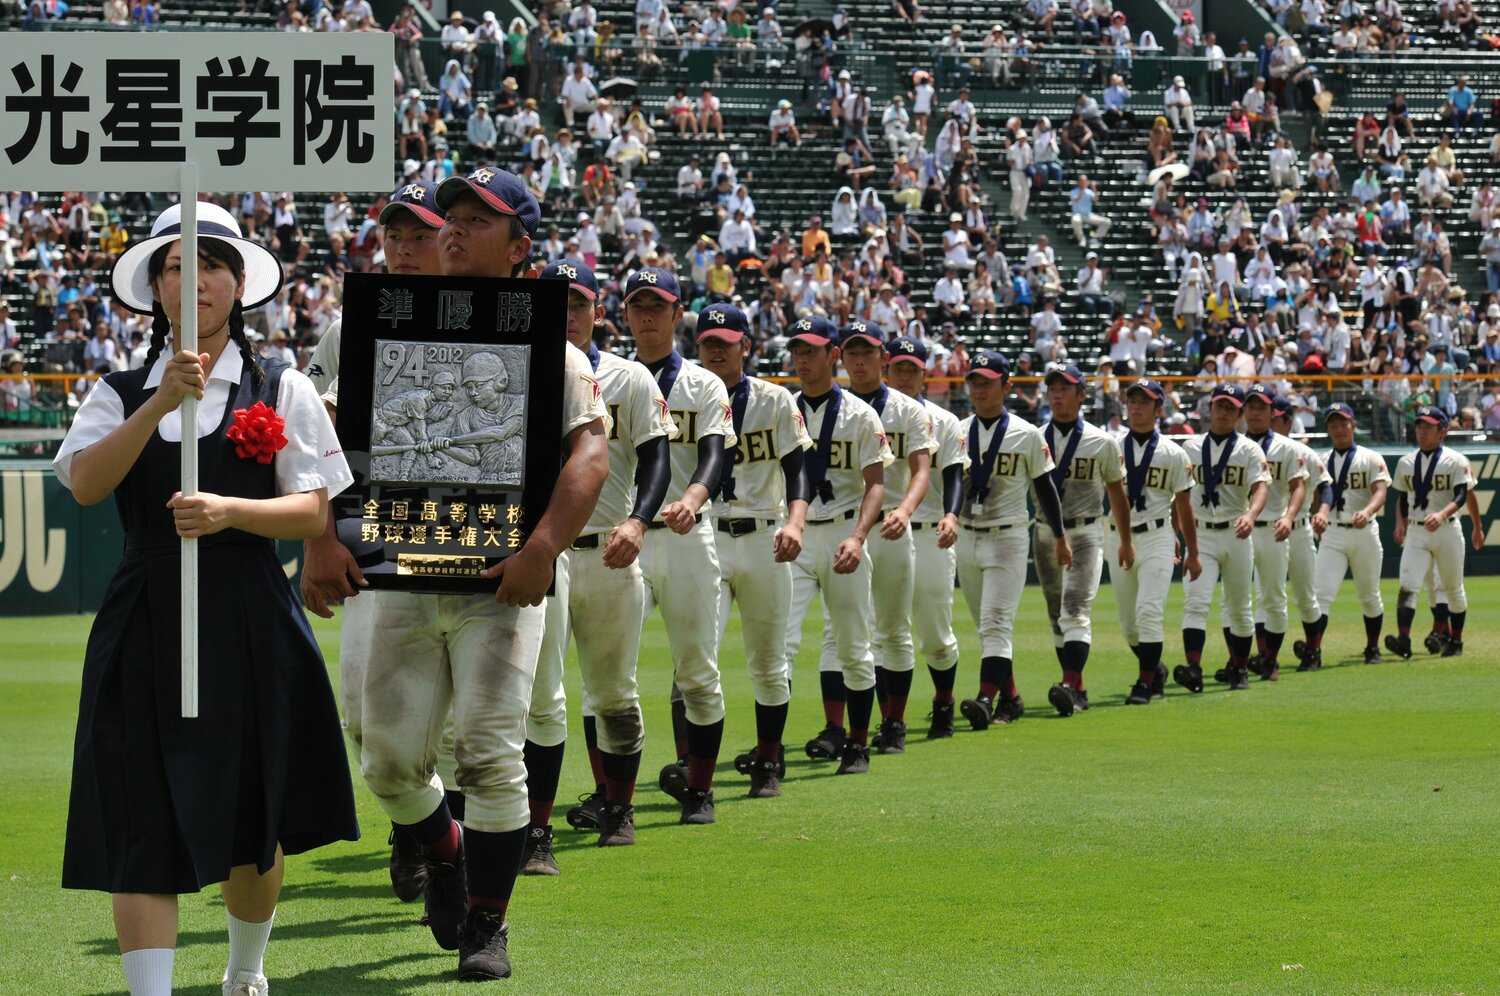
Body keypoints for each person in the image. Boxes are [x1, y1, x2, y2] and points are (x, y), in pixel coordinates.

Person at [53, 201, 357, 996]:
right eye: (178, 265)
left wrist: (230, 512)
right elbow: (85, 484)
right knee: (135, 809)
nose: (197, 280)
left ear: (240, 283)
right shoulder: (118, 390)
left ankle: (243, 975)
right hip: (145, 614)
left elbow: (316, 507)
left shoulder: (279, 383)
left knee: (252, 818)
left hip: (250, 611)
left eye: (212, 263)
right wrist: (159, 403)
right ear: (156, 288)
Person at [342, 167, 609, 981]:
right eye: (449, 215)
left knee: (491, 755)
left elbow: (590, 455)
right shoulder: (383, 323)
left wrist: (542, 548)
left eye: (478, 219)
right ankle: (445, 849)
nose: (453, 229)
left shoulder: (550, 350)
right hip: (404, 565)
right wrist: (325, 535)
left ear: (521, 248)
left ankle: (488, 924)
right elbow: (330, 433)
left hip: (501, 579)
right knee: (386, 761)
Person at [524, 258, 670, 867]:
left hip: (610, 547)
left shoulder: (630, 378)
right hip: (545, 552)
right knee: (543, 698)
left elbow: (658, 457)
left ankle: (619, 806)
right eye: (556, 303)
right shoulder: (522, 366)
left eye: (578, 303)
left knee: (614, 690)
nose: (568, 315)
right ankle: (536, 832)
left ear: (597, 310)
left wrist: (640, 519)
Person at [619, 267, 735, 825]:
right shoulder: (609, 379)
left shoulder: (703, 382)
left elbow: (716, 453)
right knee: (610, 673)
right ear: (624, 315)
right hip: (625, 540)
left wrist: (693, 496)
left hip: (690, 536)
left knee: (697, 670)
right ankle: (611, 797)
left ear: (676, 313)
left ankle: (701, 788)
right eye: (638, 305)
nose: (647, 315)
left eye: (657, 305)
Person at [697, 304, 812, 797]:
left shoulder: (775, 399)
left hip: (765, 533)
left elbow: (798, 466)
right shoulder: (686, 394)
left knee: (768, 661)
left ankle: (767, 760)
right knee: (696, 658)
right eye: (708, 342)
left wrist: (796, 520)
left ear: (747, 346)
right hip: (706, 534)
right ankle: (692, 763)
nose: (717, 349)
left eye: (727, 341)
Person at [784, 317, 893, 775]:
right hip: (796, 533)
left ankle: (858, 743)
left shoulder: (859, 413)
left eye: (812, 350)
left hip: (844, 531)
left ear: (833, 354)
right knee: (778, 644)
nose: (804, 359)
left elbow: (876, 484)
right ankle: (771, 753)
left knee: (852, 645)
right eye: (797, 351)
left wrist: (859, 536)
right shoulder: (782, 407)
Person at [955, 351, 1071, 730]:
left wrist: (1059, 536)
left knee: (995, 622)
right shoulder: (959, 429)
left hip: (1008, 535)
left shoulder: (1026, 433)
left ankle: (985, 699)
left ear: (1007, 385)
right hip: (967, 535)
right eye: (974, 381)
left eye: (987, 382)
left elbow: (1045, 488)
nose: (979, 389)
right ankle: (1012, 697)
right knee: (985, 626)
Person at [839, 323, 935, 753]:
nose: (860, 360)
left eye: (868, 352)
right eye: (852, 352)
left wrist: (906, 509)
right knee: (840, 630)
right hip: (843, 525)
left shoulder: (908, 409)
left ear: (884, 357)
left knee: (893, 628)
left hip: (891, 527)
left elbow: (921, 471)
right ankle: (838, 726)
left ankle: (893, 722)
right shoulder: (833, 406)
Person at [882, 337, 967, 735]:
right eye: (898, 368)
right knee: (882, 631)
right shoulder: (870, 415)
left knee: (935, 633)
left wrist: (951, 514)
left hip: (930, 531)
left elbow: (953, 473)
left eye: (911, 370)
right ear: (888, 370)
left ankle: (944, 700)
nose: (904, 376)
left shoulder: (944, 421)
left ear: (923, 374)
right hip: (882, 532)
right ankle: (888, 719)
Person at [1035, 365, 1132, 716]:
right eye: (1053, 388)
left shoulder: (1101, 440)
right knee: (1054, 614)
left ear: (1082, 396)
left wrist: (1125, 539)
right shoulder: (1034, 437)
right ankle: (1078, 689)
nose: (1058, 394)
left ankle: (1068, 682)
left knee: (1076, 610)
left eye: (1066, 388)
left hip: (1087, 530)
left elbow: (1117, 493)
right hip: (1045, 530)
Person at [1104, 378, 1199, 705]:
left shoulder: (1174, 452)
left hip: (1158, 535)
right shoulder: (1113, 446)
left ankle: (1144, 683)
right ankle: (1155, 669)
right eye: (1132, 400)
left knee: (1148, 611)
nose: (1136, 406)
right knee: (1129, 625)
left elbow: (1184, 506)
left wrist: (1192, 552)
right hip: (1119, 537)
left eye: (1145, 401)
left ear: (1159, 409)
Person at [1173, 384, 1271, 694]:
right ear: (1209, 408)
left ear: (1239, 413)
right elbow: (1179, 496)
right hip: (1199, 532)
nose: (1223, 412)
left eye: (1230, 407)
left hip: (1235, 531)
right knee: (1195, 602)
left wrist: (1252, 515)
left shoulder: (1249, 449)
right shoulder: (1189, 447)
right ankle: (1193, 668)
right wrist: (1176, 534)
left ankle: (1239, 669)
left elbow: (1261, 487)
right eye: (1219, 406)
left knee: (1240, 605)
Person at [1296, 403, 1390, 668]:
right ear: (1327, 428)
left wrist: (1368, 510)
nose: (1338, 429)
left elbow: (1380, 491)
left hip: (1364, 531)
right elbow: (1316, 494)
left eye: (1343, 423)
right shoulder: (1321, 460)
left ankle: (1372, 647)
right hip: (1334, 532)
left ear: (1353, 425)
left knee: (1369, 594)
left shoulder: (1370, 457)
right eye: (1333, 424)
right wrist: (1318, 516)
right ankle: (1314, 651)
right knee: (1321, 594)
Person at [1234, 385, 1310, 683]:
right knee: (1236, 598)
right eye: (1250, 407)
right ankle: (1238, 661)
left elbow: (1299, 485)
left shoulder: (1286, 447)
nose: (1254, 412)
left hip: (1273, 528)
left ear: (1271, 412)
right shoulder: (1235, 445)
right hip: (1242, 529)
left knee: (1273, 597)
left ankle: (1270, 660)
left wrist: (1290, 517)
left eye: (1261, 407)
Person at [1388, 405, 1473, 658]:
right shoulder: (1406, 462)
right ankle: (1404, 640)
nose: (1422, 431)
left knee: (1452, 588)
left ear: (1442, 431)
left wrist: (1443, 514)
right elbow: (1403, 498)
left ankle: (1455, 641)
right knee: (1408, 585)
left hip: (1447, 529)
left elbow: (1461, 494)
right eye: (1419, 426)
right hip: (1417, 529)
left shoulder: (1455, 460)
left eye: (1429, 426)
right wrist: (1401, 522)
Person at [1267, 397, 1326, 672]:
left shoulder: (1304, 453)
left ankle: (1314, 650)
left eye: (1275, 418)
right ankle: (1265, 657)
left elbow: (1325, 486)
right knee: (1266, 594)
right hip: (1265, 529)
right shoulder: (1250, 448)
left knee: (1305, 595)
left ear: (1288, 421)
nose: (1270, 422)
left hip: (1299, 528)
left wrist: (1323, 511)